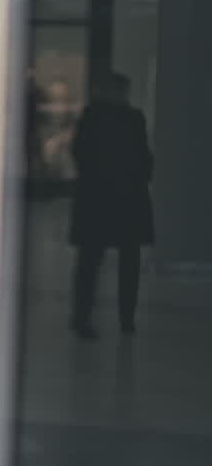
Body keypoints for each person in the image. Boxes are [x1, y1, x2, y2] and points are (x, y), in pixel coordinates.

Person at [70, 71, 154, 338]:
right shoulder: (133, 119)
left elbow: (79, 153)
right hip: (129, 198)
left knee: (89, 262)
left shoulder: (91, 118)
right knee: (129, 262)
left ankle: (82, 316)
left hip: (95, 198)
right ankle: (126, 319)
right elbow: (143, 157)